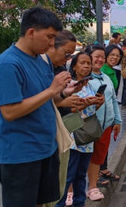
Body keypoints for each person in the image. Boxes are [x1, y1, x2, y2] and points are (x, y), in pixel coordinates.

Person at [0, 7, 78, 207]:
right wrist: (51, 90)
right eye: (49, 37)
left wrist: (62, 92)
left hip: (46, 149)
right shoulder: (8, 64)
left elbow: (48, 98)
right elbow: (10, 112)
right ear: (31, 32)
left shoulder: (40, 61)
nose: (51, 43)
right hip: (21, 155)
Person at [43, 30, 87, 207]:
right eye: (67, 54)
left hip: (58, 135)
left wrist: (63, 94)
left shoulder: (53, 68)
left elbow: (52, 99)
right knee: (56, 187)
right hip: (44, 141)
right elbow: (11, 111)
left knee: (61, 182)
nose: (67, 59)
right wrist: (59, 95)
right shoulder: (21, 65)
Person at [55, 52, 104, 207]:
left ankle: (79, 203)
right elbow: (69, 109)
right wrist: (88, 103)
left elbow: (91, 110)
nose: (86, 66)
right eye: (82, 63)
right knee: (68, 175)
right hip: (73, 136)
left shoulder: (88, 84)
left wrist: (98, 102)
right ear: (74, 65)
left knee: (81, 175)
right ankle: (61, 204)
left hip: (86, 138)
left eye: (88, 63)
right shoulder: (69, 85)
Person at [86, 45, 122, 202]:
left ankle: (93, 186)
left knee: (98, 157)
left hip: (106, 125)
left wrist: (117, 120)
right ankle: (76, 191)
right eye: (96, 56)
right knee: (84, 158)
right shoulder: (84, 78)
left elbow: (113, 100)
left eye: (102, 57)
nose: (100, 60)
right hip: (88, 126)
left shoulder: (106, 78)